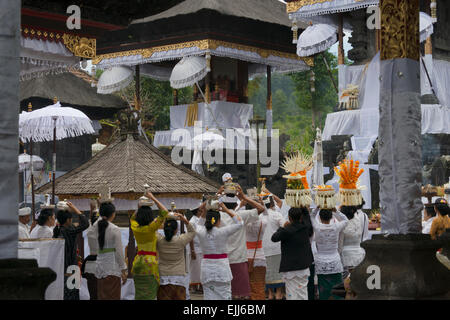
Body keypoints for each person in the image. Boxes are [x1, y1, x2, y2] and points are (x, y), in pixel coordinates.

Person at [221, 185, 265, 300]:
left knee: (224, 294)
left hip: (223, 260)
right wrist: (244, 197)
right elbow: (261, 209)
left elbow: (205, 209)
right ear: (236, 205)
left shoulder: (218, 216)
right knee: (240, 296)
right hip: (239, 259)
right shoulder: (241, 215)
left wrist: (218, 194)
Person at [194, 202, 243, 300]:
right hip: (222, 268)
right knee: (225, 295)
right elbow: (240, 223)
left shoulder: (200, 231)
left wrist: (205, 210)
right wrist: (226, 210)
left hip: (207, 268)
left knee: (208, 296)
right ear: (219, 221)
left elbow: (197, 224)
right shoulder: (223, 231)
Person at [130, 192, 169, 300]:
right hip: (150, 264)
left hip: (137, 263)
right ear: (150, 216)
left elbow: (133, 217)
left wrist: (140, 206)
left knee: (139, 295)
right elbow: (165, 212)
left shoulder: (135, 227)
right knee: (150, 295)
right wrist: (153, 198)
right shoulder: (152, 227)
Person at [271, 207, 314, 300]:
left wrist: (283, 226)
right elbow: (308, 220)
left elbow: (274, 238)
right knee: (303, 292)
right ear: (301, 217)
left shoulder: (286, 230)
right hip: (303, 266)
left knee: (291, 293)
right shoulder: (306, 228)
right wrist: (305, 210)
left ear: (289, 218)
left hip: (290, 268)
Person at [88, 202, 127, 300]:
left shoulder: (93, 228)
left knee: (102, 296)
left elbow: (93, 249)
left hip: (99, 267)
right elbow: (119, 252)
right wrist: (123, 269)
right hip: (112, 267)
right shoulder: (114, 229)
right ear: (113, 214)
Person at [53, 201, 89, 300]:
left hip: (61, 268)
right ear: (68, 220)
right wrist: (75, 209)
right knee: (73, 295)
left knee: (65, 295)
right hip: (71, 268)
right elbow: (86, 224)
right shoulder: (69, 231)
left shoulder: (58, 230)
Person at [311, 208, 348, 300]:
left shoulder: (317, 227)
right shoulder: (336, 226)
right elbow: (345, 220)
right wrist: (336, 211)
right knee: (338, 290)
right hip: (335, 261)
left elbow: (311, 216)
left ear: (319, 217)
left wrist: (317, 208)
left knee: (324, 290)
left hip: (321, 262)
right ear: (331, 217)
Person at [157, 213, 196, 300]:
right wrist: (184, 220)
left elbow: (153, 230)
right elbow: (192, 232)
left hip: (163, 276)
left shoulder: (159, 240)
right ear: (176, 230)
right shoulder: (180, 240)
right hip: (178, 277)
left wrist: (161, 219)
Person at [261, 193, 286, 300]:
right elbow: (285, 225)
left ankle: (270, 293)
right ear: (272, 204)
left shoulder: (260, 216)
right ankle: (279, 293)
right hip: (276, 248)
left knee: (269, 273)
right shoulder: (276, 214)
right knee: (278, 273)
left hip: (264, 249)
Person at [245, 195, 268, 300]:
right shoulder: (263, 222)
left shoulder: (243, 223)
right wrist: (261, 204)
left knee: (247, 286)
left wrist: (242, 202)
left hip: (246, 257)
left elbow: (234, 215)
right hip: (260, 257)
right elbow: (266, 213)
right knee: (259, 285)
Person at [338, 206, 365, 279]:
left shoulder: (342, 224)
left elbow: (340, 244)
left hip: (346, 255)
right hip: (358, 252)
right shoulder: (358, 220)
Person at [82, 203, 100, 300]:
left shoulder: (90, 230)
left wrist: (92, 209)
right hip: (100, 264)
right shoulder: (104, 231)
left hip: (89, 265)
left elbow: (90, 221)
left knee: (93, 295)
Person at [189, 206, 204, 294]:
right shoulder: (192, 221)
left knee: (201, 269)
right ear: (197, 211)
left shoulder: (200, 219)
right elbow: (191, 237)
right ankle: (193, 286)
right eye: (200, 210)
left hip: (202, 248)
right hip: (195, 248)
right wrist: (192, 250)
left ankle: (201, 286)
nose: (202, 211)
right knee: (195, 269)